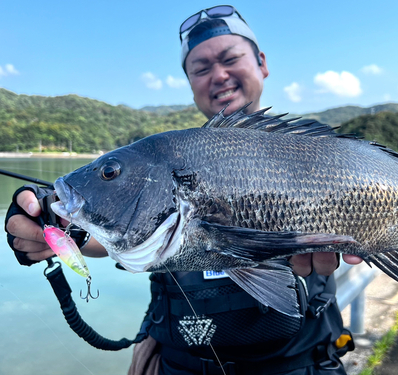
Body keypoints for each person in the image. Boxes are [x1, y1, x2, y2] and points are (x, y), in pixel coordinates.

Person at [5, 5, 362, 374]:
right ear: (190, 83)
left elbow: (373, 206)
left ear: (262, 63)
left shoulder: (319, 152)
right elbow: (120, 239)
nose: (219, 75)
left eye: (230, 59)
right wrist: (60, 230)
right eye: (201, 68)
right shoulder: (164, 159)